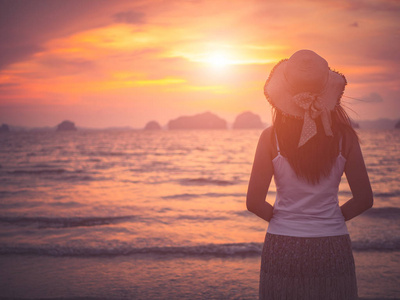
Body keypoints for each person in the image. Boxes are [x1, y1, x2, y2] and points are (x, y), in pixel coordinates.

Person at [246, 49, 373, 300]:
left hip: (282, 247)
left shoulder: (270, 137)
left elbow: (254, 202)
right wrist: (329, 219)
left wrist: (286, 219)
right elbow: (364, 199)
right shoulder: (345, 137)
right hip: (332, 246)